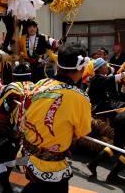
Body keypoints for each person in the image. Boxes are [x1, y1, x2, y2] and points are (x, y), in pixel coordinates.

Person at [21, 42, 92, 193]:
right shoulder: (80, 98)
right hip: (49, 164)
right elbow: (82, 132)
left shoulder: (41, 83)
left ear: (58, 66)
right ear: (82, 68)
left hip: (27, 154)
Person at [0, 62, 34, 193]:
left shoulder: (11, 88)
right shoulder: (36, 87)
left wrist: (5, 98)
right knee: (10, 155)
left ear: (14, 77)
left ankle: (6, 187)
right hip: (34, 131)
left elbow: (0, 114)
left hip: (18, 132)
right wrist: (0, 84)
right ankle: (5, 179)